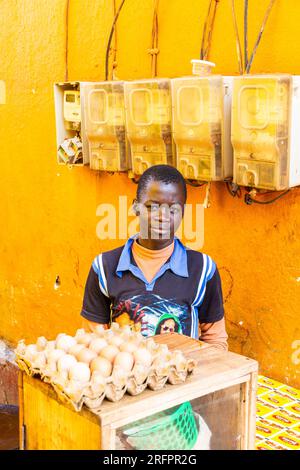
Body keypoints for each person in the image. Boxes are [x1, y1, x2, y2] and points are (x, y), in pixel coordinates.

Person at [81, 164, 228, 350]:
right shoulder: (105, 267)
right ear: (136, 207)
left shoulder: (202, 269)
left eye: (173, 210)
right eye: (153, 207)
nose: (163, 217)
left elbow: (215, 340)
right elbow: (92, 341)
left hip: (183, 377)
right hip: (124, 376)